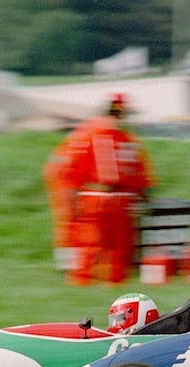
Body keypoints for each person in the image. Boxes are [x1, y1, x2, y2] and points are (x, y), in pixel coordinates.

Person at [43, 94, 154, 284]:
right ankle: (83, 282)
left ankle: (113, 284)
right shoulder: (91, 135)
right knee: (90, 244)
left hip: (118, 200)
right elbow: (69, 171)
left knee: (120, 247)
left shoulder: (126, 140)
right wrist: (71, 200)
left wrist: (142, 193)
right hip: (97, 197)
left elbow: (139, 172)